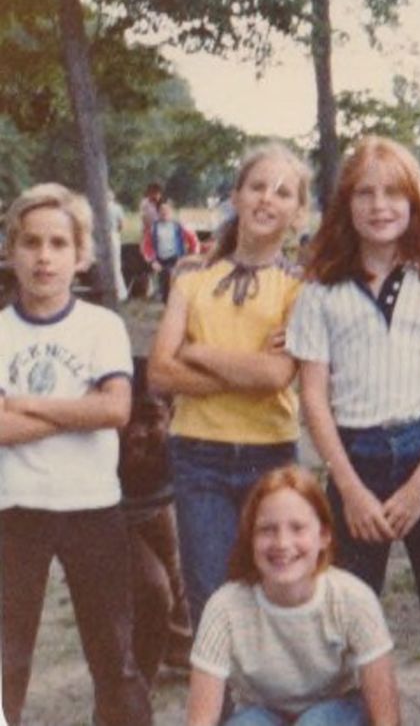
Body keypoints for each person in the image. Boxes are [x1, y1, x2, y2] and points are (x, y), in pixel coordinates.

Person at [286, 136, 420, 653]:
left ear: (415, 202)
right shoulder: (319, 290)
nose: (380, 207)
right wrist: (348, 487)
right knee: (346, 622)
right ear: (344, 206)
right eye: (365, 194)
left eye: (394, 193)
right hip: (356, 459)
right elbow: (313, 397)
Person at [0, 183, 151, 726]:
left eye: (58, 244)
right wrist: (74, 407)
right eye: (31, 242)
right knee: (6, 661)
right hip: (14, 509)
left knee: (114, 657)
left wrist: (26, 405)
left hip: (92, 508)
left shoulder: (101, 328)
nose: (44, 257)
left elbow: (114, 410)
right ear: (11, 250)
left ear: (81, 254)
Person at [149, 142, 311, 626]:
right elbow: (159, 373)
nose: (267, 199)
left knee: (281, 591)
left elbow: (276, 376)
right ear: (236, 196)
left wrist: (195, 352)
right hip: (199, 454)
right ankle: (217, 705)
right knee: (213, 596)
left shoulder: (301, 288)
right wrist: (245, 369)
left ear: (297, 213)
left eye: (283, 193)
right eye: (257, 186)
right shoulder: (192, 280)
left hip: (271, 452)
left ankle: (277, 701)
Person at [187, 465, 401, 726]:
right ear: (250, 538)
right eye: (267, 530)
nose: (282, 544)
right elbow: (200, 721)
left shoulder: (353, 598)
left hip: (336, 712)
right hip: (262, 713)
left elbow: (387, 718)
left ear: (324, 535)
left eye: (297, 528)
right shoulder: (225, 608)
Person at [119, 356, 193, 683]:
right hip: (112, 510)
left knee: (178, 570)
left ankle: (179, 646)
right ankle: (136, 681)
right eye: (129, 422)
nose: (138, 433)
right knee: (153, 587)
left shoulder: (175, 442)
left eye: (150, 419)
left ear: (172, 414)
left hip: (156, 502)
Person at [142, 199, 200, 303]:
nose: (164, 212)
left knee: (176, 285)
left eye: (167, 210)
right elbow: (146, 246)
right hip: (161, 262)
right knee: (165, 288)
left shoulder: (179, 226)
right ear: (158, 212)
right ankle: (167, 308)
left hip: (176, 260)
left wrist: (191, 257)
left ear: (172, 211)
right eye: (161, 210)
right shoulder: (153, 228)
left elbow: (194, 241)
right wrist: (152, 261)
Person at [108, 189, 129, 301]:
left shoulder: (99, 208)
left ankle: (119, 292)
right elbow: (122, 225)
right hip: (114, 235)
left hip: (106, 236)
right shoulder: (117, 208)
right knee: (116, 265)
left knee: (112, 265)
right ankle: (120, 292)